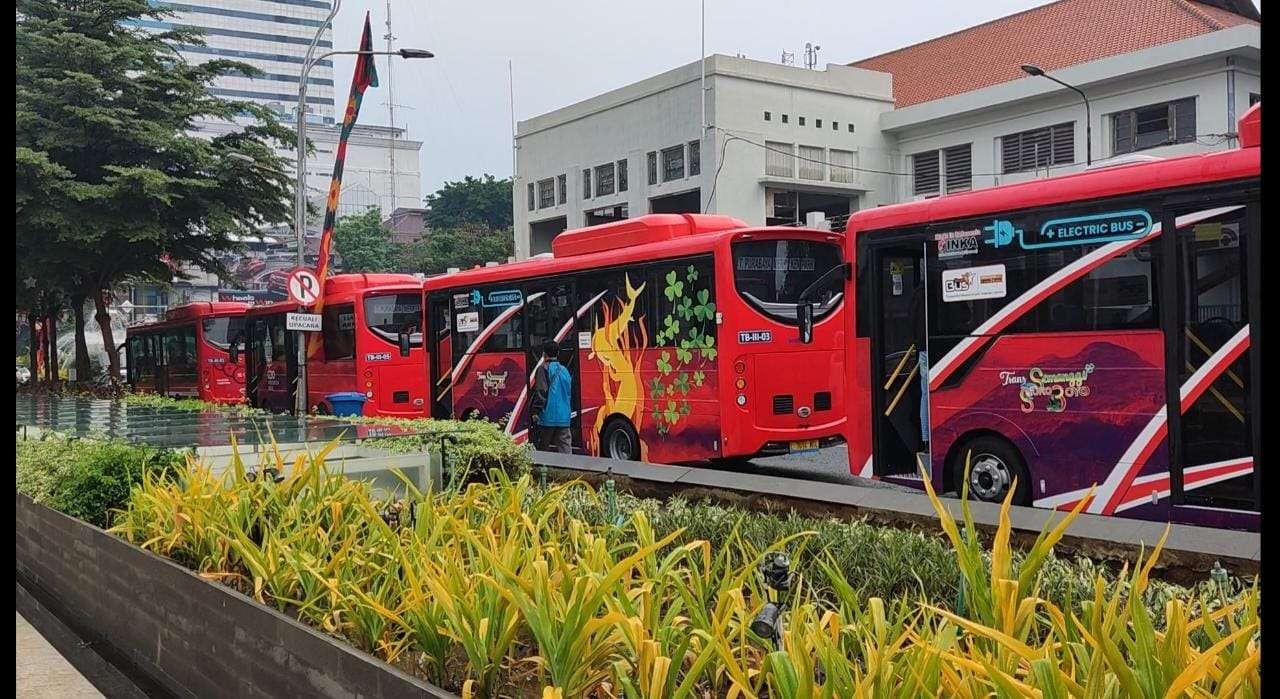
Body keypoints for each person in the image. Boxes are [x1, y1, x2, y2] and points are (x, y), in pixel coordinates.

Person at [530, 340, 573, 453]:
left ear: (544, 353)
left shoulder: (543, 369)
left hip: (547, 416)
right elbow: (568, 392)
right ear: (558, 354)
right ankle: (568, 470)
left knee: (542, 449)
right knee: (565, 450)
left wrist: (535, 411)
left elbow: (541, 391)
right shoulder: (565, 370)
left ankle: (543, 470)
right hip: (564, 416)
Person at [908, 274, 930, 455]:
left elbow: (912, 321)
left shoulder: (916, 295)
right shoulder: (935, 291)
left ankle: (926, 438)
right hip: (938, 348)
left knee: (925, 394)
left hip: (922, 349)